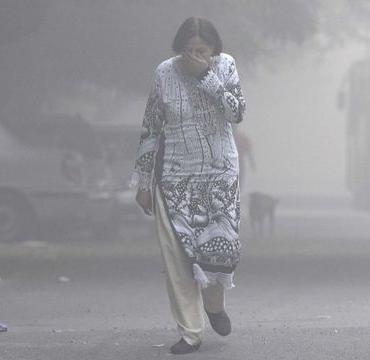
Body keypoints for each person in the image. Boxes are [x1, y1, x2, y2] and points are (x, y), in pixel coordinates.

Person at [131, 16, 246, 355]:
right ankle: (191, 333)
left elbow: (237, 112)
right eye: (188, 51)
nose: (194, 56)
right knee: (177, 259)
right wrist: (143, 180)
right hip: (175, 178)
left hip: (219, 175)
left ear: (214, 50)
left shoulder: (225, 67)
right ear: (178, 50)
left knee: (216, 255)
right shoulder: (164, 73)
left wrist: (206, 77)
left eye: (202, 51)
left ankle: (214, 307)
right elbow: (151, 126)